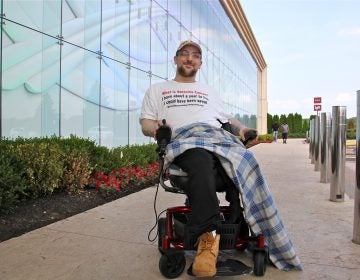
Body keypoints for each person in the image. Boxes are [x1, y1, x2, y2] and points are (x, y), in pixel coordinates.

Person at [140, 40, 302, 276]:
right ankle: (209, 238)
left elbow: (227, 120)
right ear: (175, 59)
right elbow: (146, 122)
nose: (189, 58)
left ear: (200, 63)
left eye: (195, 55)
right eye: (184, 54)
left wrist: (244, 131)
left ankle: (247, 221)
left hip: (216, 140)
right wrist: (156, 130)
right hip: (185, 142)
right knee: (199, 158)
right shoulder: (158, 89)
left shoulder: (208, 92)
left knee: (244, 160)